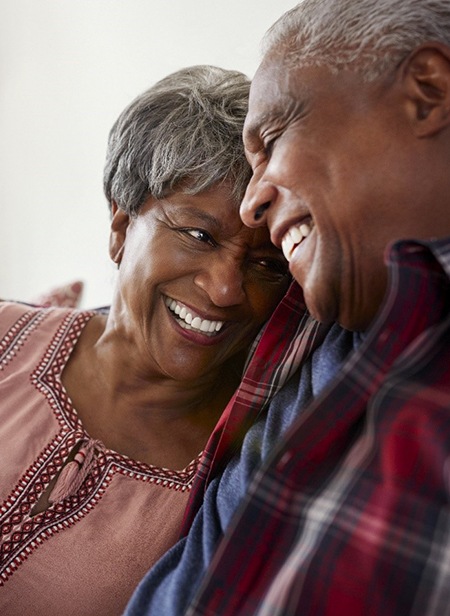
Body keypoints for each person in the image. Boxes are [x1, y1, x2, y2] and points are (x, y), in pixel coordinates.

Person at [124, 1, 450, 614]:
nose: (251, 206)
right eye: (198, 234)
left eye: (271, 141)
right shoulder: (319, 355)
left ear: (427, 93)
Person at [0, 66, 291, 615]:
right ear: (120, 224)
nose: (227, 289)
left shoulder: (238, 481)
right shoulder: (6, 338)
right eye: (199, 236)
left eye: (265, 264)